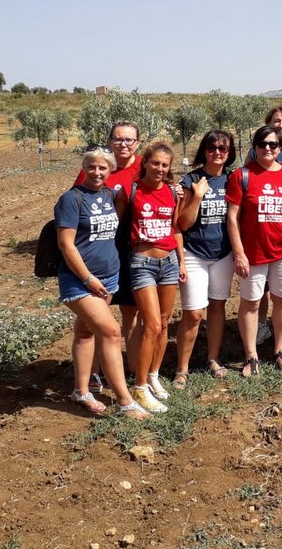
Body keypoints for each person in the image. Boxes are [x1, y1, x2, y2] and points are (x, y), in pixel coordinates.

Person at [54, 148, 146, 419]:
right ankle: (124, 400)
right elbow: (66, 244)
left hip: (108, 277)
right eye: (91, 167)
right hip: (81, 281)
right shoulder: (71, 199)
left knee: (85, 333)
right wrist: (88, 279)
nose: (96, 172)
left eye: (102, 168)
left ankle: (81, 391)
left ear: (110, 171)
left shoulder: (108, 196)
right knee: (111, 332)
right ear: (84, 168)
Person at [73, 122, 144, 393]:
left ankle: (135, 372)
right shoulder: (97, 167)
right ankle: (92, 374)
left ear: (138, 142)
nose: (123, 144)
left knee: (131, 312)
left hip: (132, 250)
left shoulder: (143, 168)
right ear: (110, 141)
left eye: (129, 139)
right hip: (98, 253)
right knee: (92, 318)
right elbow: (77, 202)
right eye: (118, 139)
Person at [115, 141, 185, 412]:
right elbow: (117, 227)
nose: (159, 168)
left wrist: (181, 261)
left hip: (168, 262)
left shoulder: (171, 192)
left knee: (164, 324)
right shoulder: (130, 192)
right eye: (155, 163)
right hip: (141, 262)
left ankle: (154, 377)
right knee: (152, 325)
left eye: (164, 165)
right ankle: (140, 387)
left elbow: (175, 228)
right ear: (144, 162)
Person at [226, 124, 282, 376]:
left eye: (273, 145)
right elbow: (232, 217)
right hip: (253, 252)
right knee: (251, 302)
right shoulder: (242, 175)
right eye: (262, 144)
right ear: (255, 147)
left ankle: (280, 351)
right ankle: (251, 356)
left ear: (280, 148)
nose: (268, 148)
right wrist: (239, 253)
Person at [175, 130, 237, 384]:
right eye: (212, 148)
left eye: (223, 148)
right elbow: (183, 223)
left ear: (229, 152)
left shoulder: (234, 179)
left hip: (223, 254)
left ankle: (213, 358)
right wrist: (197, 196)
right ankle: (182, 368)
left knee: (217, 306)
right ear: (205, 150)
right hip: (194, 254)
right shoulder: (191, 180)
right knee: (193, 313)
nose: (217, 153)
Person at [248, 107, 282, 348]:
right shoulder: (256, 150)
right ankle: (260, 327)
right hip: (261, 227)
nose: (281, 124)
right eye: (276, 120)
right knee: (264, 289)